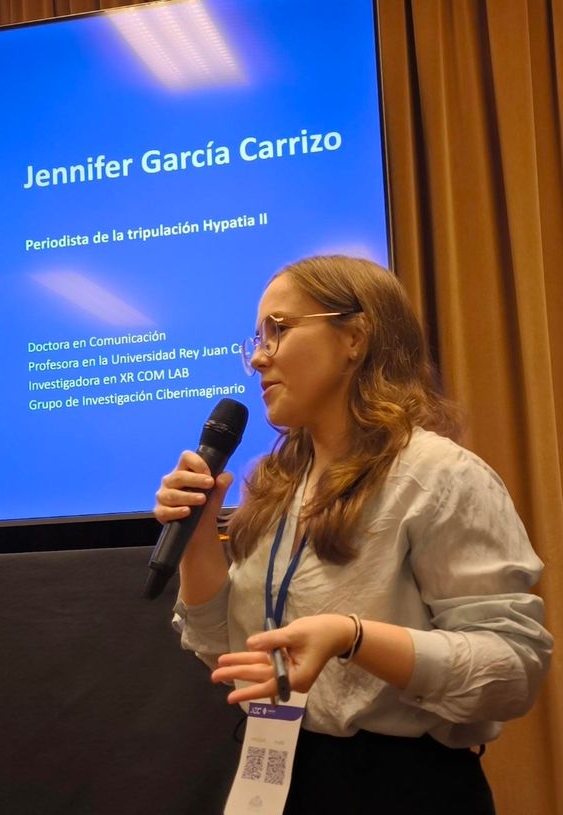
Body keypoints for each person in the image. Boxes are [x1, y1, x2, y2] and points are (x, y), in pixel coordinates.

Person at [154, 256, 551, 813]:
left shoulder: (439, 475)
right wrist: (196, 532)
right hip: (277, 773)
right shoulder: (276, 484)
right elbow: (221, 648)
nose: (260, 357)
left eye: (280, 329)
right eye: (257, 338)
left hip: (398, 786)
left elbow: (513, 671)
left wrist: (353, 637)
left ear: (355, 339)